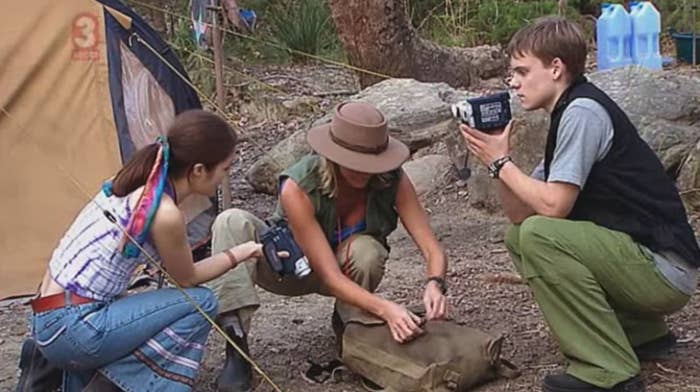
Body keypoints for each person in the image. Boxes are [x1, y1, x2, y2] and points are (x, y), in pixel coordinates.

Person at [460, 16, 699, 392]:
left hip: (664, 270)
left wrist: (500, 162)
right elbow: (520, 213)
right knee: (520, 235)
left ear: (556, 68)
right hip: (643, 259)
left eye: (522, 71)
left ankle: (607, 369)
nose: (513, 82)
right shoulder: (566, 115)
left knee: (540, 234)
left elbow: (553, 208)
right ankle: (639, 334)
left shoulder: (583, 113)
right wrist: (497, 161)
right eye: (512, 73)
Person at [15, 110, 269, 392]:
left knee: (150, 310)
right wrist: (241, 252)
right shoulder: (164, 212)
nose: (224, 177)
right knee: (202, 303)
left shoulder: (135, 182)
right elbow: (187, 279)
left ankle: (49, 374)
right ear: (198, 170)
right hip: (73, 328)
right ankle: (112, 387)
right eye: (225, 169)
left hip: (47, 319)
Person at [208, 101, 449, 391]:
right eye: (354, 162)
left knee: (367, 251)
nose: (363, 171)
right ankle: (236, 345)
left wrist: (435, 283)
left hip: (344, 266)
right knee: (230, 221)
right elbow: (328, 276)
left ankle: (351, 327)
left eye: (371, 164)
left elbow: (432, 248)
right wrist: (387, 309)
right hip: (289, 268)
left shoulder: (392, 179)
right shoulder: (298, 185)